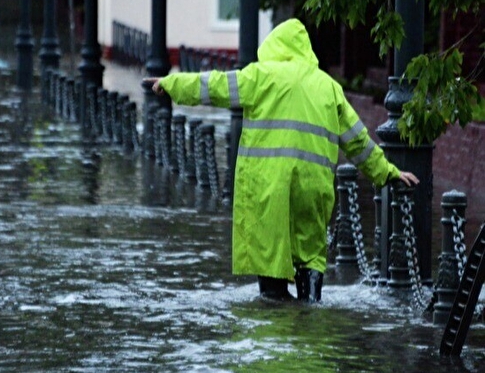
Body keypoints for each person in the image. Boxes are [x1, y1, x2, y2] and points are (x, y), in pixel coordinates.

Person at [144, 18, 419, 303]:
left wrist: (171, 84)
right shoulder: (329, 87)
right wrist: (388, 172)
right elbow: (357, 141)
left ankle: (278, 323)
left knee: (270, 260)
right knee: (311, 256)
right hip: (314, 188)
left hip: (269, 188)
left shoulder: (261, 76)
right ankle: (309, 314)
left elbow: (214, 86)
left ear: (275, 46)